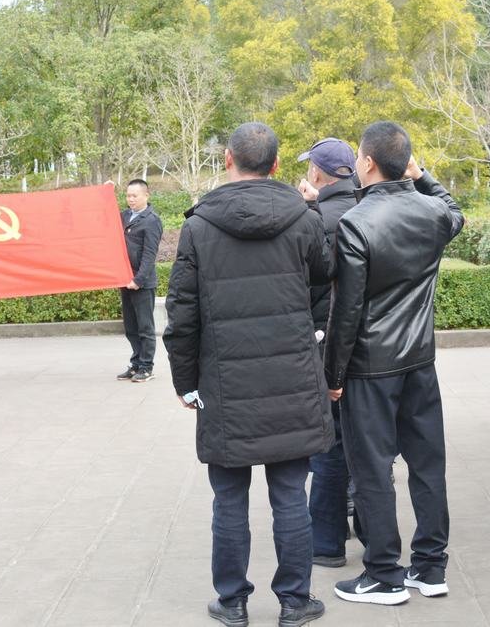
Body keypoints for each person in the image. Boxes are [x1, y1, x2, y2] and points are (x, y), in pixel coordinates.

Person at [164, 122, 333, 627]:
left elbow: (182, 314)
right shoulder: (305, 220)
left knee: (229, 498)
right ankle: (295, 601)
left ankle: (232, 600)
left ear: (227, 159)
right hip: (292, 379)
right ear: (276, 165)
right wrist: (314, 336)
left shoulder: (199, 227)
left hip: (225, 384)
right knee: (291, 496)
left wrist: (184, 381)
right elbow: (326, 287)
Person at [324, 121, 464, 606]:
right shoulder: (432, 211)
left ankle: (384, 572)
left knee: (371, 469)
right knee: (427, 465)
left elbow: (346, 310)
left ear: (366, 162)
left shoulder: (356, 223)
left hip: (371, 364)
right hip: (419, 359)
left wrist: (333, 374)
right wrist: (421, 176)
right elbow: (454, 211)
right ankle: (430, 566)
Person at [296, 138, 358, 568]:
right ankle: (370, 530)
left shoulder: (315, 222)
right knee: (365, 443)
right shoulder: (367, 209)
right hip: (371, 348)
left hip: (326, 342)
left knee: (329, 445)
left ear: (317, 173)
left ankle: (326, 540)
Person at [116, 179, 163, 383]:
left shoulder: (152, 220)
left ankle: (146, 367)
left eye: (135, 195)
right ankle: (136, 363)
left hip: (141, 283)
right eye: (128, 195)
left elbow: (149, 255)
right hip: (125, 280)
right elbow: (105, 217)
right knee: (131, 327)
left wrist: (138, 279)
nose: (131, 199)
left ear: (146, 195)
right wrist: (107, 192)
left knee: (145, 327)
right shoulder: (124, 216)